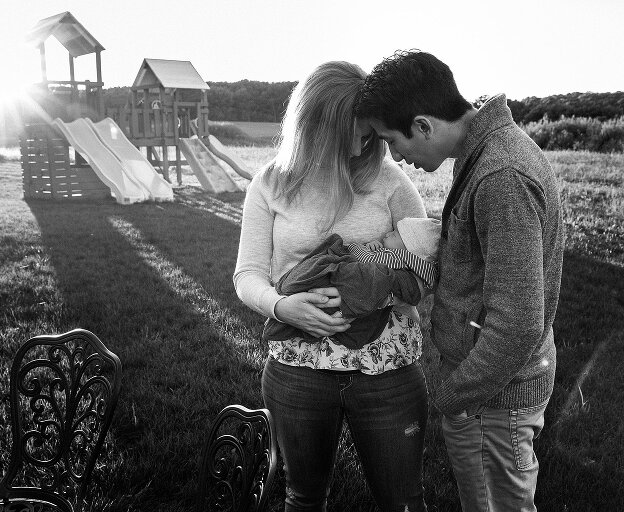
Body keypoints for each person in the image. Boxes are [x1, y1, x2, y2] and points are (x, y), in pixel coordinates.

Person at [356, 50, 565, 512]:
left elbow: (518, 323)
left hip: (492, 398)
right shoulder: (485, 152)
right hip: (487, 392)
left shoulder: (501, 175)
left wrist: (453, 396)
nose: (396, 157)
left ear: (424, 125)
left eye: (392, 140)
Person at [233, 61, 429, 512]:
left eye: (371, 135)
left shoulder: (391, 182)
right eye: (357, 133)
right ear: (319, 125)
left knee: (403, 502)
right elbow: (247, 275)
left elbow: (424, 269)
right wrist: (284, 308)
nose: (365, 145)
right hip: (299, 370)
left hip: (386, 370)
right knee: (303, 499)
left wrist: (375, 291)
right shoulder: (270, 185)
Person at [263, 217, 441, 348]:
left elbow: (365, 260)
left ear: (409, 248)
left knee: (323, 269)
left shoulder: (397, 257)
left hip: (383, 354)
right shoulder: (401, 258)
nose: (387, 233)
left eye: (394, 234)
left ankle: (293, 288)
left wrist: (358, 247)